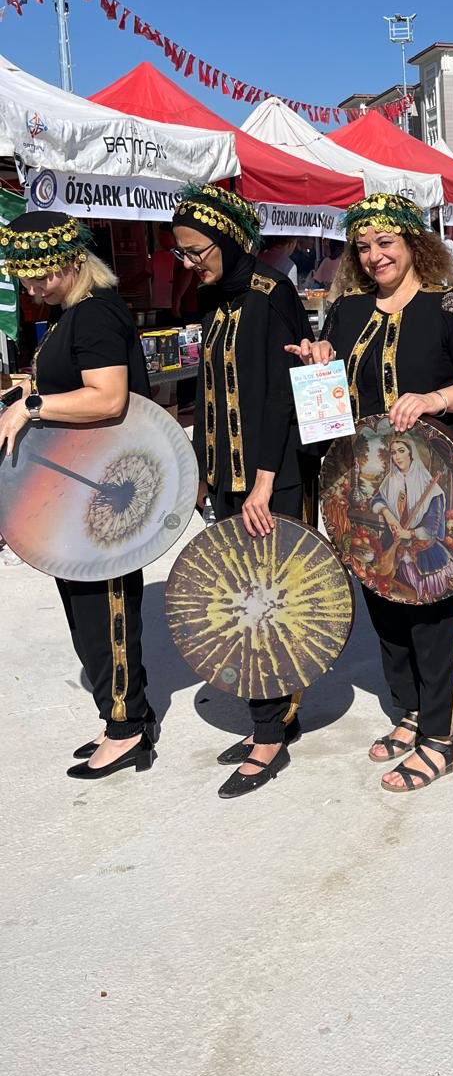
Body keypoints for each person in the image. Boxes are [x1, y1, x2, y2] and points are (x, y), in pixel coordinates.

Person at [289, 194, 453, 792]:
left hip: (440, 487)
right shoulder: (346, 311)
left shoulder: (446, 304)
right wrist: (319, 362)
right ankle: (411, 710)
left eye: (386, 243)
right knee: (386, 601)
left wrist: (435, 399)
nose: (374, 255)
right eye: (364, 247)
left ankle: (445, 735)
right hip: (365, 486)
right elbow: (331, 402)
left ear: (413, 244)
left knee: (435, 602)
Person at [0, 213, 158, 780]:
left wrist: (33, 406)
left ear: (71, 262)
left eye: (40, 274)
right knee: (88, 608)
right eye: (25, 277)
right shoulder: (77, 312)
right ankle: (121, 714)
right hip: (85, 488)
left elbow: (108, 398)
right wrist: (32, 390)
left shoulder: (93, 315)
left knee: (105, 609)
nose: (32, 287)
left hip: (104, 492)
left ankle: (127, 729)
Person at [172, 184, 312, 799]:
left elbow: (284, 394)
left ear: (226, 241)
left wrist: (263, 481)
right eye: (180, 253)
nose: (188, 263)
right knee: (239, 600)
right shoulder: (212, 298)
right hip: (228, 477)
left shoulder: (270, 293)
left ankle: (269, 737)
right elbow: (208, 391)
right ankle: (273, 716)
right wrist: (204, 468)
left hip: (269, 480)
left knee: (267, 605)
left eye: (195, 251)